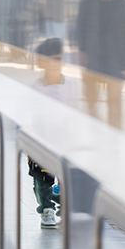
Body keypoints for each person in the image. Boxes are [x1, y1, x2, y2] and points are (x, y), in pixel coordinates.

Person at [76, 0, 125, 128]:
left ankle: (115, 132)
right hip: (93, 59)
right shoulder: (88, 2)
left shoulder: (122, 4)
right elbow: (80, 27)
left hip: (115, 61)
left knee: (114, 102)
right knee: (92, 101)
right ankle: (94, 130)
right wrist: (82, 50)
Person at [28, 38, 74, 228]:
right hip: (42, 139)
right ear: (43, 63)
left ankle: (64, 208)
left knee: (66, 177)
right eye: (51, 60)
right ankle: (46, 209)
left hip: (65, 139)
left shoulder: (70, 86)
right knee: (42, 177)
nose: (55, 64)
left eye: (58, 59)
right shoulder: (36, 88)